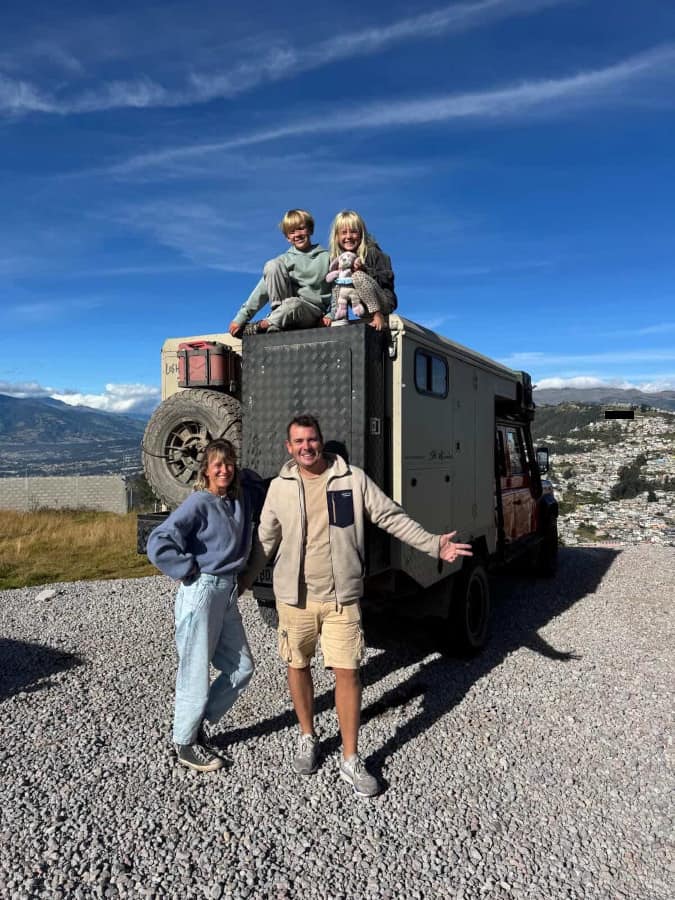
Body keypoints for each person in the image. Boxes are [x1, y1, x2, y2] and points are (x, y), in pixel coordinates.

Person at [241, 415, 472, 797]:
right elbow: (265, 541)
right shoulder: (279, 488)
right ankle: (308, 737)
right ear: (289, 447)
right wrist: (242, 583)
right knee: (296, 665)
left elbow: (390, 517)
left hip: (341, 598)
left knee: (347, 673)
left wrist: (434, 544)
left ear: (321, 441)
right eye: (298, 441)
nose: (306, 447)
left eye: (311, 439)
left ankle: (350, 758)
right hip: (294, 599)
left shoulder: (352, 479)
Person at [147, 439, 258, 773]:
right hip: (202, 590)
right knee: (195, 669)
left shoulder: (236, 499)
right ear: (206, 470)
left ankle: (197, 723)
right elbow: (159, 541)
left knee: (242, 668)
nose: (224, 469)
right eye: (217, 464)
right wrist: (188, 569)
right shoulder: (199, 502)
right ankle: (185, 742)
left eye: (229, 463)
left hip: (227, 592)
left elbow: (257, 484)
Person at [228, 209, 331, 337]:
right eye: (292, 232)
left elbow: (338, 288)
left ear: (310, 229)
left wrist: (331, 314)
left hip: (312, 313)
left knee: (294, 304)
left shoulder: (327, 257)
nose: (297, 234)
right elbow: (261, 291)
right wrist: (241, 318)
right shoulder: (283, 260)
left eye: (301, 229)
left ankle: (263, 325)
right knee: (272, 265)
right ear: (288, 238)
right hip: (286, 311)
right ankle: (277, 324)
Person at [324, 210, 397, 332]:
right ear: (337, 236)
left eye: (353, 232)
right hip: (362, 308)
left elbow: (387, 279)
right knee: (339, 280)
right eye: (344, 233)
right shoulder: (340, 260)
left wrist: (365, 270)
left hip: (383, 302)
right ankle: (340, 316)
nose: (348, 236)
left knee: (357, 276)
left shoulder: (373, 253)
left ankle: (377, 314)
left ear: (361, 234)